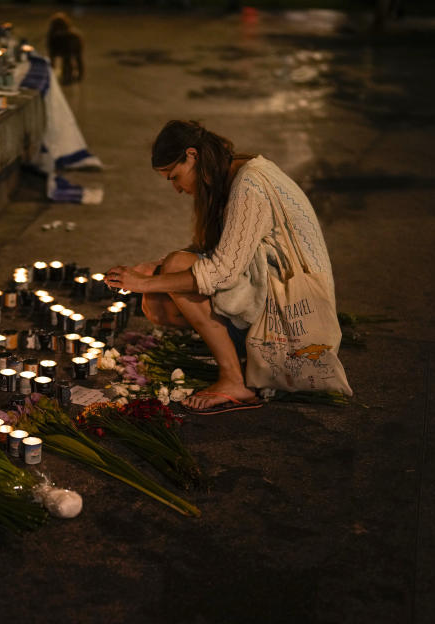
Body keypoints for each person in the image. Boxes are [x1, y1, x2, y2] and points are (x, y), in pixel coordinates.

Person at [104, 120, 337, 413]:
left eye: (174, 177)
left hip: (294, 330)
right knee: (162, 284)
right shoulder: (231, 174)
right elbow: (221, 252)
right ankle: (238, 358)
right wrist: (154, 270)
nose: (176, 188)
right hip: (271, 301)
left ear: (192, 155)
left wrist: (144, 282)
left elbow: (222, 271)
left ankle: (233, 380)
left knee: (171, 271)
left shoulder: (250, 184)